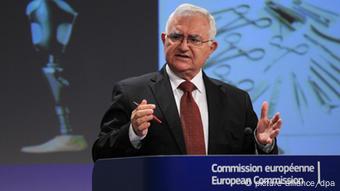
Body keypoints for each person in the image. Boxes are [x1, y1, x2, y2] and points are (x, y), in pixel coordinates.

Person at [92, 3, 282, 161]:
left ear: (211, 48)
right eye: (176, 37)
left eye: (194, 39)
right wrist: (133, 132)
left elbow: (252, 170)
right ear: (164, 40)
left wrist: (262, 144)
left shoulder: (237, 101)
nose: (183, 46)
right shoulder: (131, 92)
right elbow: (100, 154)